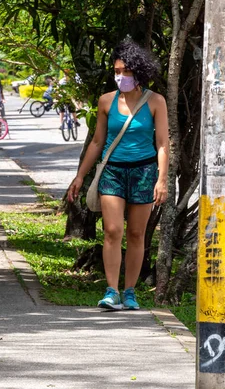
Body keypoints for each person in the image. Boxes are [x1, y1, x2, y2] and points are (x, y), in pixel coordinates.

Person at [67, 38, 169, 311]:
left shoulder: (156, 102)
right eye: (117, 71)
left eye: (126, 71)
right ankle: (111, 291)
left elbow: (162, 143)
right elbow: (97, 142)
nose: (120, 76)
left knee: (136, 234)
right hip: (112, 171)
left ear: (139, 72)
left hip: (144, 172)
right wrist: (80, 176)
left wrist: (162, 179)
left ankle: (130, 292)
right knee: (112, 230)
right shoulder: (106, 101)